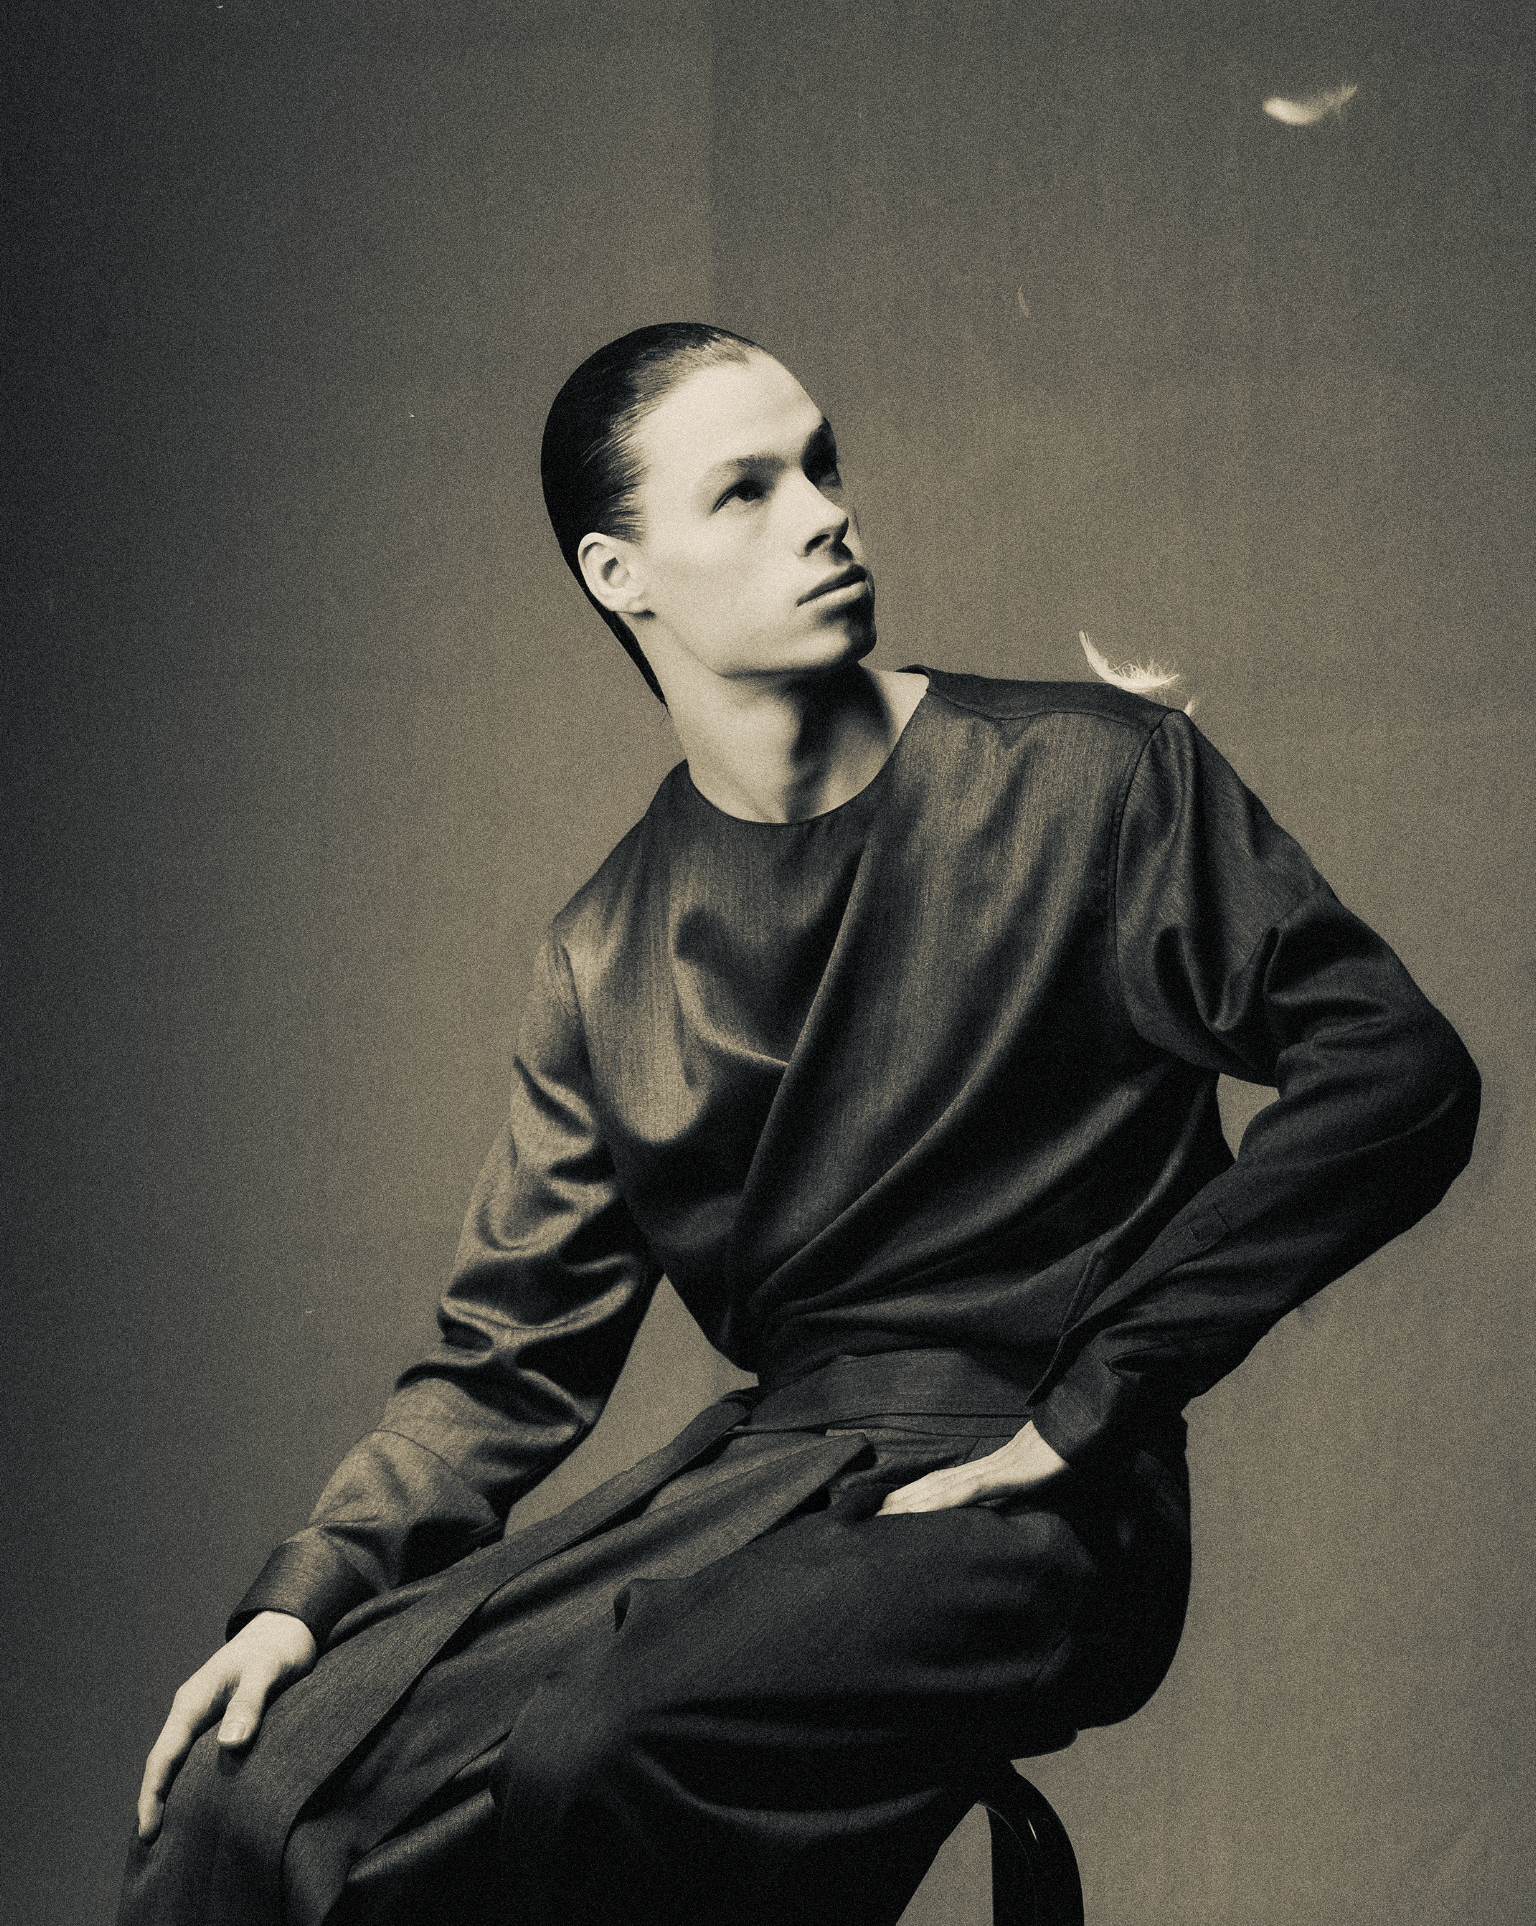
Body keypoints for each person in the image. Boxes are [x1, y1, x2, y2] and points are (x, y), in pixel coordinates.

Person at [120, 323, 1480, 1926]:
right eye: (747, 489)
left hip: (1041, 1503)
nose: (826, 514)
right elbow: (503, 1362)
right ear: (620, 574)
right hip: (760, 1497)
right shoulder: (605, 951)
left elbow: (1395, 1068)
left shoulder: (1096, 780)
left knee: (605, 1747)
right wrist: (306, 1595)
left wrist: (1105, 1384)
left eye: (822, 464)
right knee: (246, 1794)